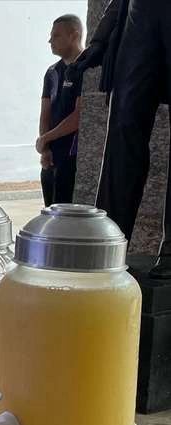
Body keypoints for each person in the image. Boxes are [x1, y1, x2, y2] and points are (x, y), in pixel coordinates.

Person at [71, 0, 171, 279]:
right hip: (138, 19)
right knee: (123, 129)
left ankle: (170, 252)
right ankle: (109, 243)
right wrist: (100, 40)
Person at [36, 14, 84, 207]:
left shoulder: (86, 69)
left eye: (56, 36)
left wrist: (46, 138)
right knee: (50, 212)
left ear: (74, 35)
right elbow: (45, 113)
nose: (50, 41)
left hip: (73, 155)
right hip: (51, 156)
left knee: (66, 212)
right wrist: (45, 147)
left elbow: (79, 116)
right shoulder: (52, 72)